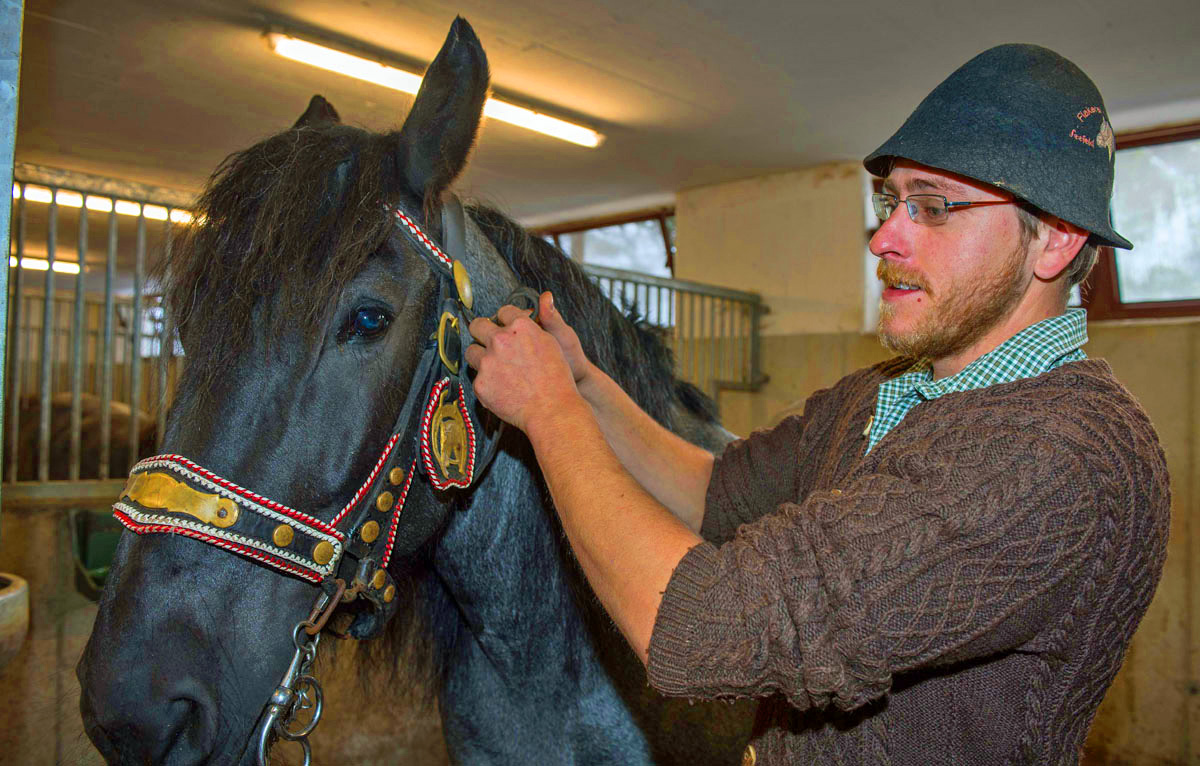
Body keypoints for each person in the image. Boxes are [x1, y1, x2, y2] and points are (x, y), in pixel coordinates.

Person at [465, 44, 1170, 765]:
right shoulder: (879, 393)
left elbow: (700, 625)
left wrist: (551, 413)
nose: (885, 237)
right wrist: (588, 388)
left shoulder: (1060, 454)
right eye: (891, 201)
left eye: (932, 207)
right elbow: (714, 494)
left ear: (1054, 240)